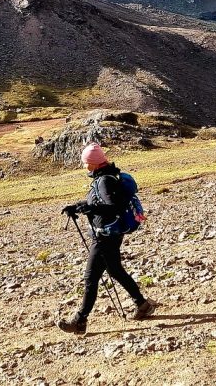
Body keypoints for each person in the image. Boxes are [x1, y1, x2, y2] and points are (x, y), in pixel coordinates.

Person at [58, 143, 155, 334]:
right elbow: (99, 202)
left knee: (90, 278)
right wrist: (77, 206)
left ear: (93, 164)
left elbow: (113, 207)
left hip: (104, 237)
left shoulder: (104, 181)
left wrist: (90, 209)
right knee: (115, 270)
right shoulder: (106, 177)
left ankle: (79, 321)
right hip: (111, 234)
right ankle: (142, 304)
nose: (84, 166)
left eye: (86, 163)